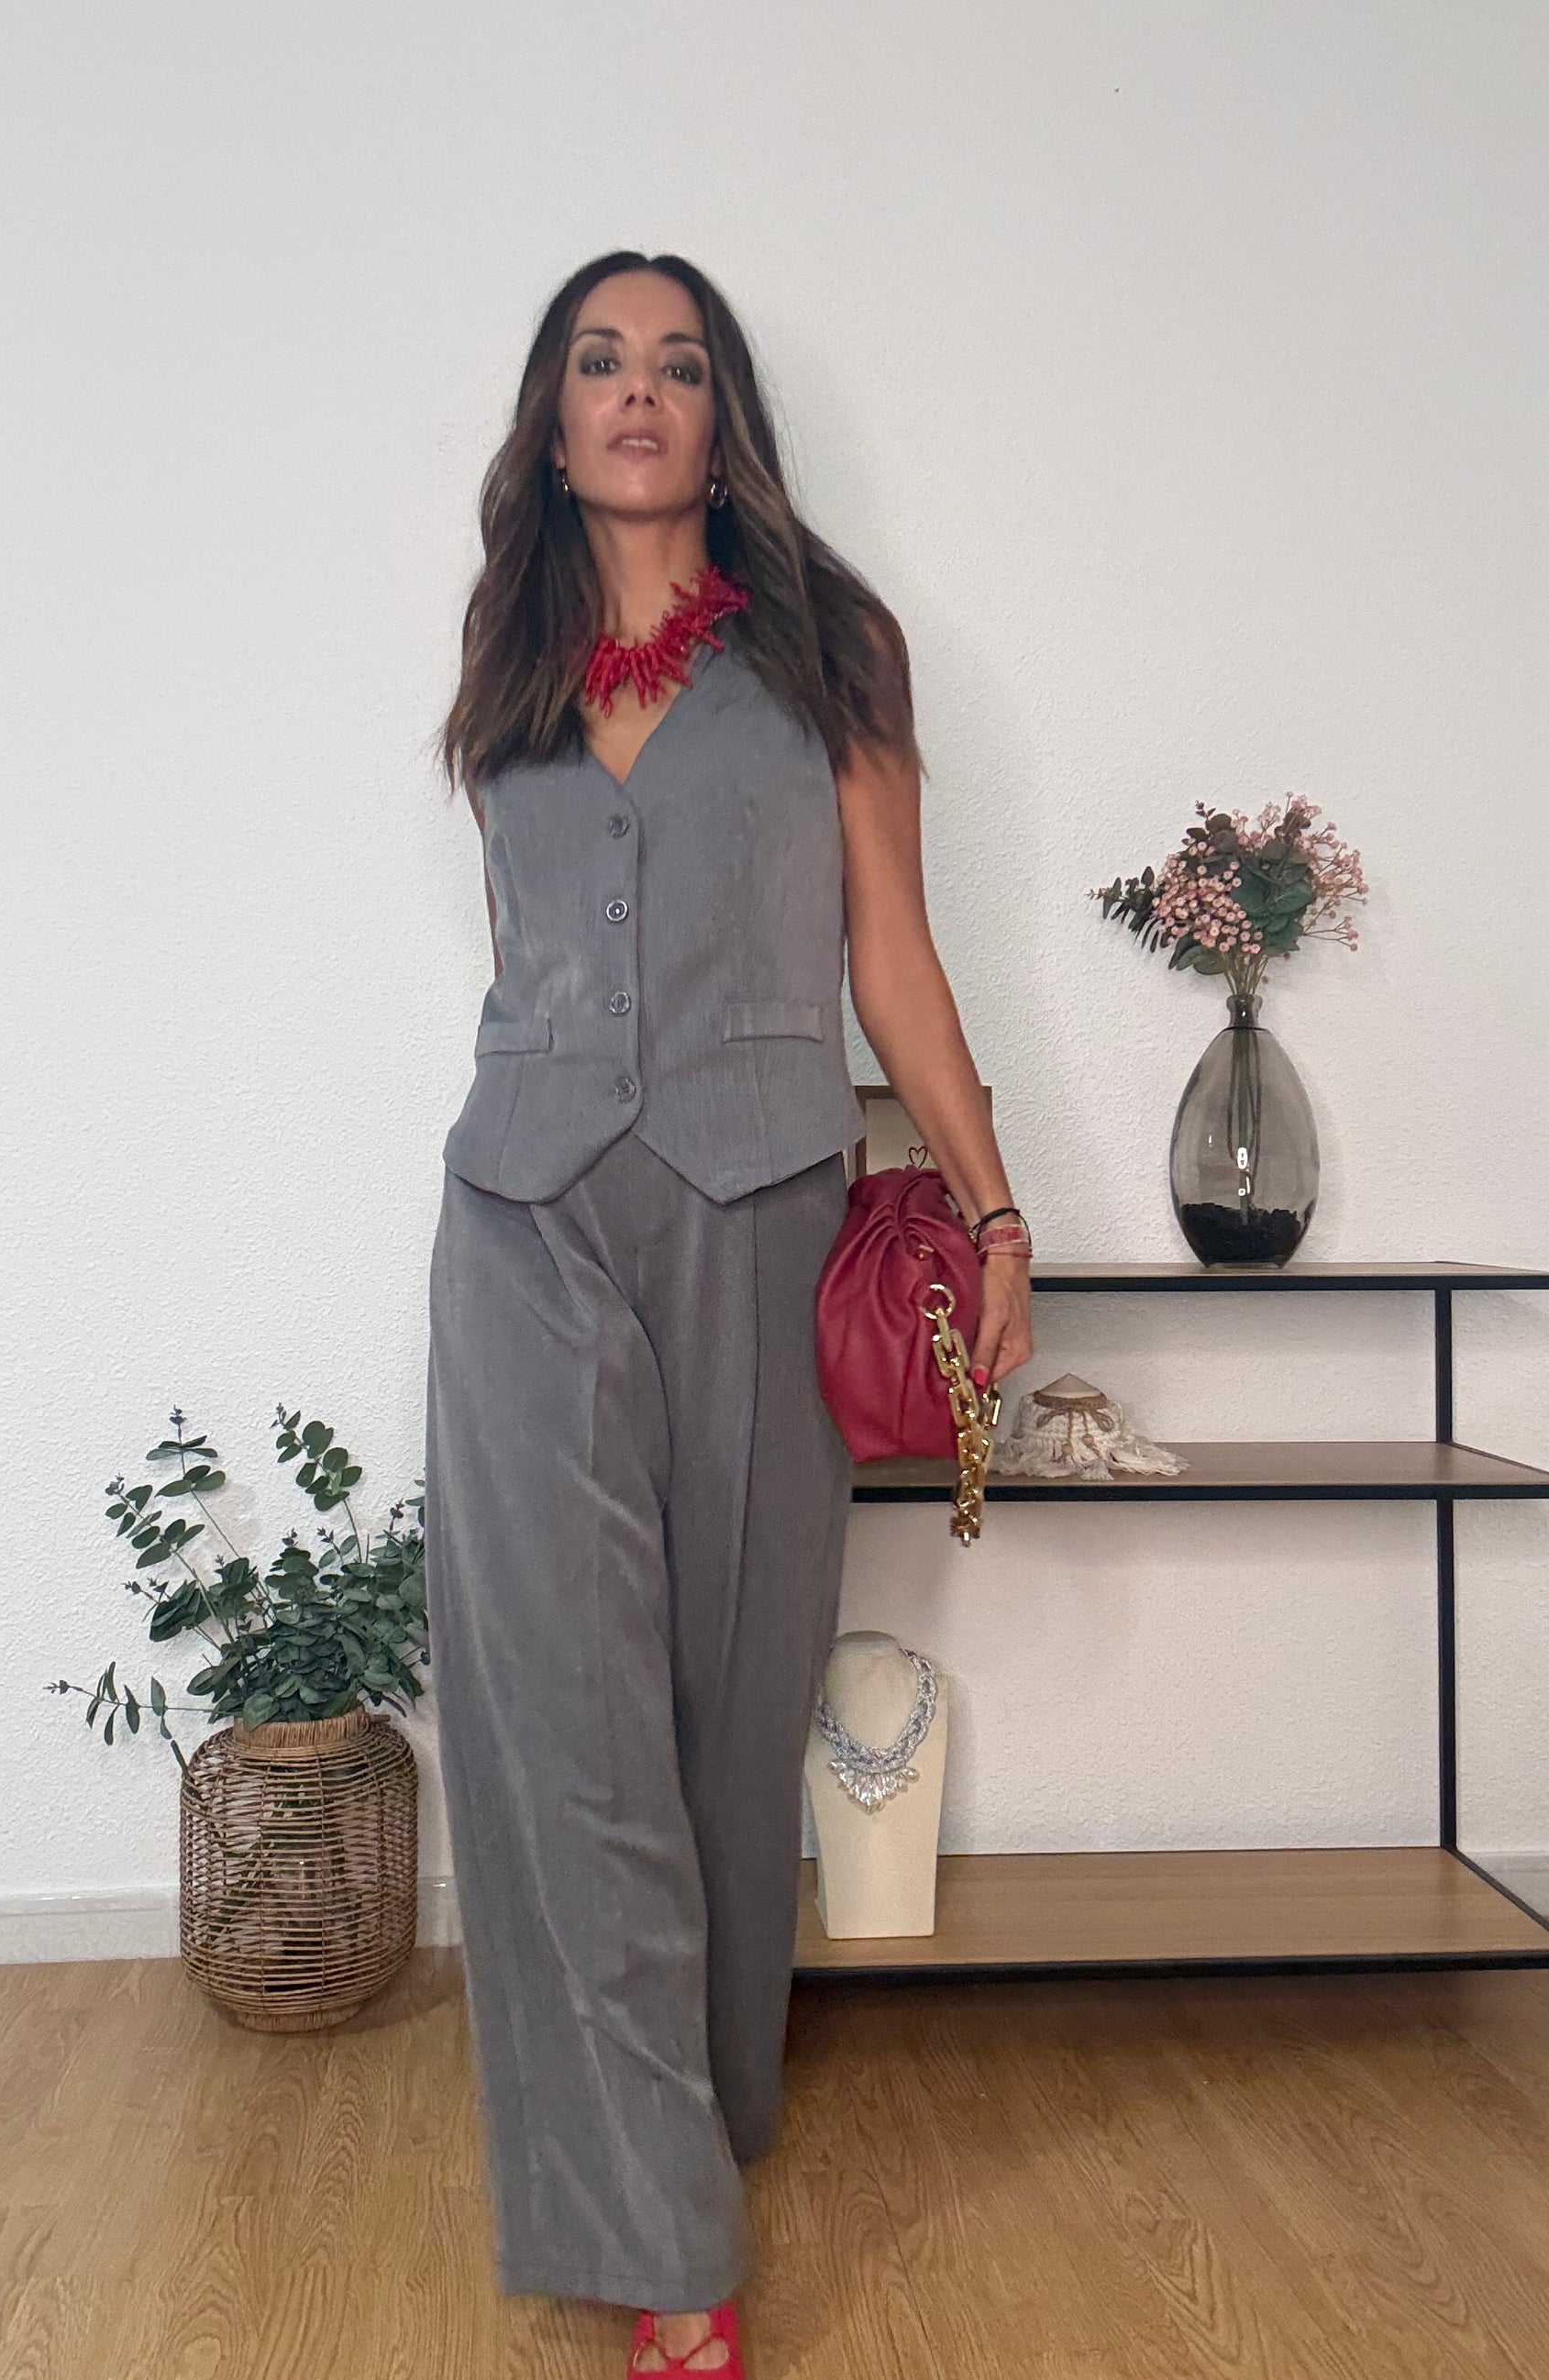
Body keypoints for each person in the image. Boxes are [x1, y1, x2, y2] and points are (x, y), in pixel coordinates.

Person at [424, 249, 1035, 2377]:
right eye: (598, 361)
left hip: (762, 1211)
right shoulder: (504, 644)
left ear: (721, 413)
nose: (636, 391)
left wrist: (991, 1204)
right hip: (521, 1220)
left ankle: (698, 2101)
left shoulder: (827, 646)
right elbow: (535, 944)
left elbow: (893, 955)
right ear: (551, 414)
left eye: (676, 364)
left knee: (722, 1691)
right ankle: (665, 2232)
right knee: (560, 1714)